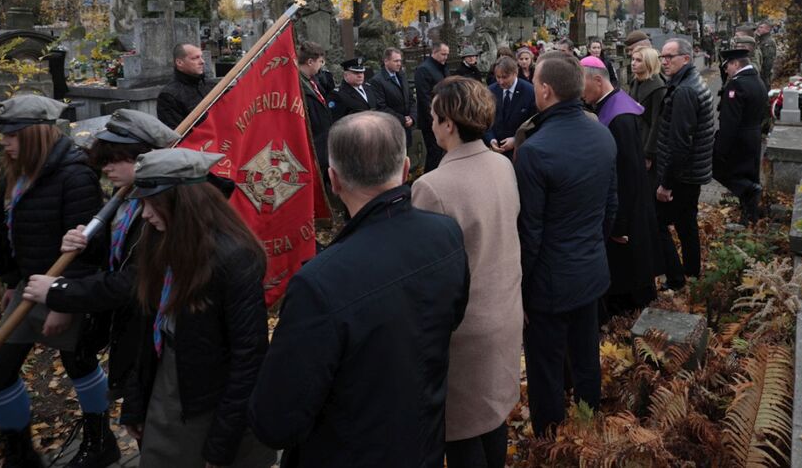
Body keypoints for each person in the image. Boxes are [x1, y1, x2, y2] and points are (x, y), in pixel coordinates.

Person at [250, 112, 470, 467]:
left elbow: (276, 421)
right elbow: (451, 318)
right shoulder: (445, 234)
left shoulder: (318, 284)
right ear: (405, 169)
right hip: (423, 442)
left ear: (333, 180)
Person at [22, 110, 178, 468]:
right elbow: (116, 258)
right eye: (102, 160)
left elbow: (134, 280)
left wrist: (60, 292)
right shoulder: (126, 199)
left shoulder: (162, 209)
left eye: (112, 159)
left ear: (143, 156)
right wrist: (84, 242)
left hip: (155, 337)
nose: (104, 168)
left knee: (160, 434)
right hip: (132, 334)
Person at [123, 148, 274, 468]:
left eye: (152, 203)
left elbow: (249, 358)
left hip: (213, 403)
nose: (145, 215)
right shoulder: (161, 242)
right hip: (170, 384)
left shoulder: (234, 259)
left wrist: (220, 447)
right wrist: (136, 403)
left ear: (184, 204)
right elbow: (148, 330)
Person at [0, 95, 109, 468]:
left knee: (78, 364)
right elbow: (1, 232)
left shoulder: (76, 175)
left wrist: (60, 302)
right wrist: (9, 281)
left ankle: (100, 442)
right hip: (26, 286)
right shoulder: (11, 173)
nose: (3, 141)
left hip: (66, 288)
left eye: (11, 134)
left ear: (36, 133)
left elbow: (88, 246)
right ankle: (20, 453)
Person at [411, 77, 522, 468]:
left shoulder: (432, 187)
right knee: (492, 417)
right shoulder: (501, 164)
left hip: (463, 331)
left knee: (460, 432)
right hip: (505, 311)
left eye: (434, 115)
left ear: (449, 124)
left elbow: (426, 273)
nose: (431, 121)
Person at [514, 52, 617, 437]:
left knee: (546, 367)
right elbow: (611, 207)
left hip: (549, 282)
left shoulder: (536, 151)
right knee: (586, 356)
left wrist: (521, 289)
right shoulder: (601, 133)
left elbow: (531, 232)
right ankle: (590, 427)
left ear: (544, 90)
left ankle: (550, 440)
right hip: (590, 269)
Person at [581, 57, 662, 313]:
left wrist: (619, 222)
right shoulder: (610, 105)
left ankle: (630, 305)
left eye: (581, 84)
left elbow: (625, 173)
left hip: (627, 204)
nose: (580, 92)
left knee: (629, 261)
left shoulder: (619, 116)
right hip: (625, 200)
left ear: (597, 80)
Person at [655, 38, 714, 285]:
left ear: (686, 59)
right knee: (686, 222)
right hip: (691, 172)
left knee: (658, 222)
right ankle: (691, 271)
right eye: (662, 57)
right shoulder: (688, 82)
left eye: (670, 57)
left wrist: (666, 184)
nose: (664, 61)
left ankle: (676, 277)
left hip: (683, 175)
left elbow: (679, 143)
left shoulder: (685, 90)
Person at [713, 49, 767, 225]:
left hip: (738, 139)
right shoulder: (757, 80)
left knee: (719, 169)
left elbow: (730, 121)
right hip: (753, 136)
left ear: (736, 64)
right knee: (748, 174)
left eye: (727, 65)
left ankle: (750, 192)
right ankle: (749, 217)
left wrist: (720, 148)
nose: (726, 70)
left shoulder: (736, 85)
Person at [486, 56, 536, 158]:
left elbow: (535, 122)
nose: (500, 81)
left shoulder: (530, 92)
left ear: (515, 73)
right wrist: (491, 139)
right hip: (495, 153)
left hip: (520, 153)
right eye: (498, 77)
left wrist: (516, 140)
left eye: (504, 77)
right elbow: (484, 119)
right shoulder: (490, 91)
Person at [298, 41, 334, 177]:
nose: (321, 65)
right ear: (310, 62)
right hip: (313, 145)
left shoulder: (311, 80)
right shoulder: (298, 84)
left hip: (322, 143)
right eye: (320, 61)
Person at [368, 47, 416, 145]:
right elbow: (381, 107)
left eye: (400, 61)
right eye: (396, 61)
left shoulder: (401, 75)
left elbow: (411, 99)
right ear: (386, 61)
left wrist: (412, 117)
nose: (399, 64)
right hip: (391, 129)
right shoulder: (377, 81)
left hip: (407, 128)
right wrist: (403, 119)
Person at [629, 47, 667, 171]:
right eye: (633, 59)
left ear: (649, 63)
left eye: (639, 60)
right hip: (634, 139)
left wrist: (649, 154)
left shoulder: (658, 87)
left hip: (647, 142)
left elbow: (657, 123)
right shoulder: (634, 81)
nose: (633, 63)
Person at [415, 41, 450, 171]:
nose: (445, 57)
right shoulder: (424, 69)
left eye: (447, 54)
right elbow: (424, 99)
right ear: (434, 52)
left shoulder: (443, 67)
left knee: (442, 152)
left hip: (444, 116)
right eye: (443, 54)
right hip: (431, 120)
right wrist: (435, 119)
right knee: (434, 153)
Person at [157, 43, 210, 129]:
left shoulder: (209, 85)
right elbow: (177, 133)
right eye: (195, 58)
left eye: (201, 57)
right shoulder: (169, 96)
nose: (202, 61)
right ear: (179, 62)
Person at [755, 21, 776, 87]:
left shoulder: (768, 42)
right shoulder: (761, 39)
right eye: (758, 27)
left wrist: (764, 75)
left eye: (761, 27)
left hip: (764, 74)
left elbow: (768, 60)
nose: (759, 29)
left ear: (767, 29)